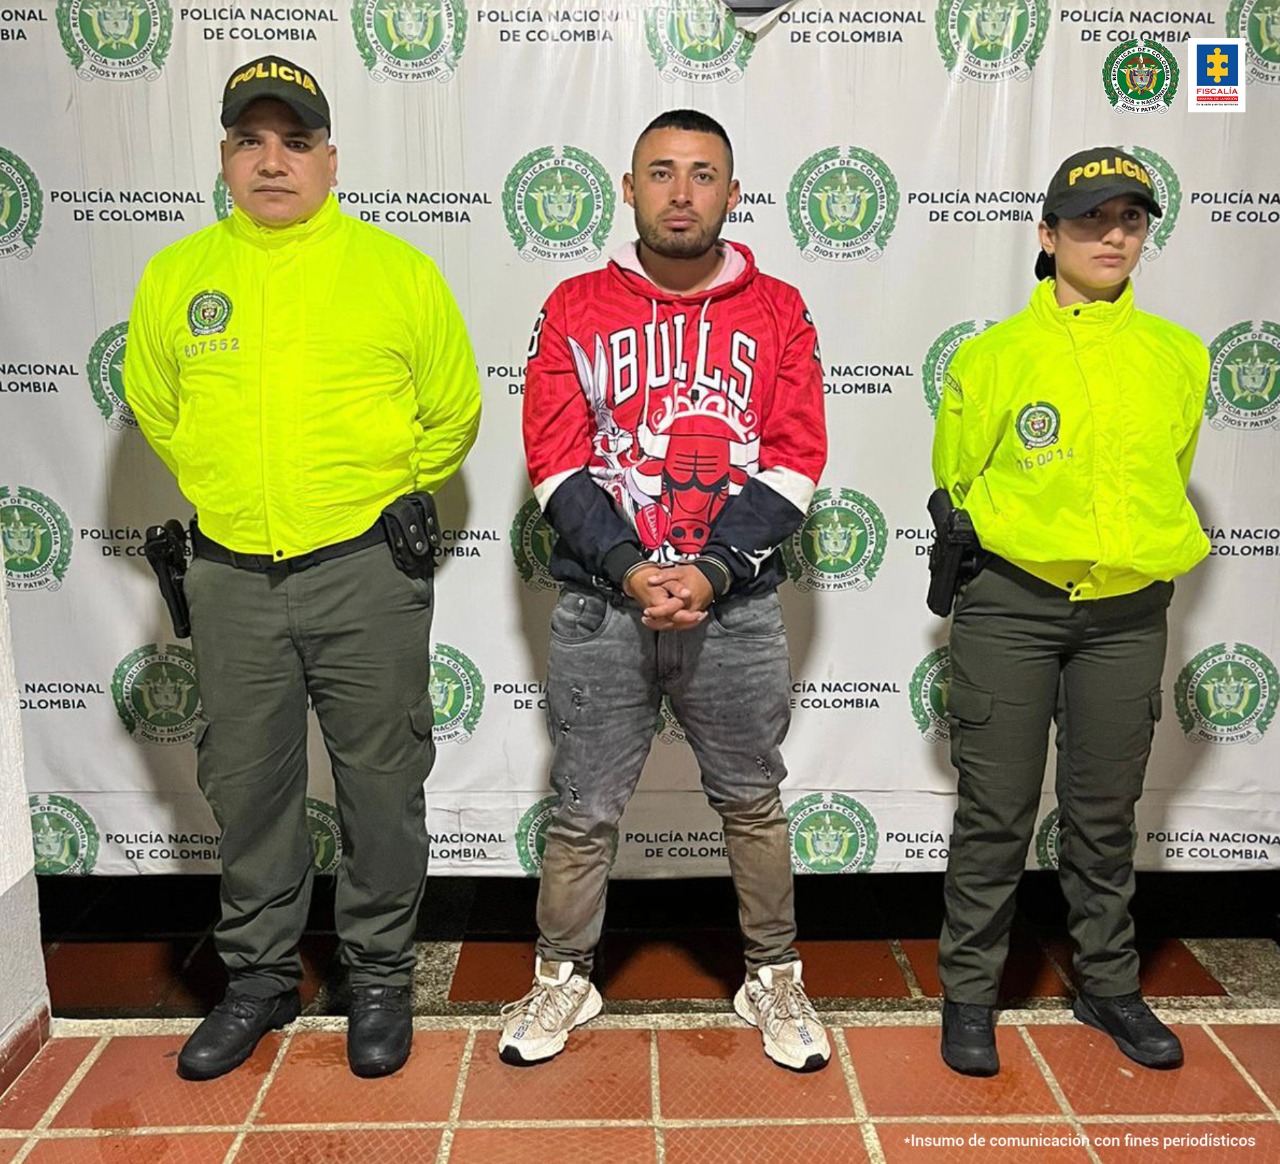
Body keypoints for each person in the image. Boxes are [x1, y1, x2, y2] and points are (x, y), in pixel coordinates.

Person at [125, 54, 481, 1081]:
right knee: (248, 787)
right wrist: (224, 486)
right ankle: (258, 979)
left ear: (330, 158)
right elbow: (156, 406)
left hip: (363, 572)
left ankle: (376, 976)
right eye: (249, 140)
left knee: (380, 785)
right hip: (229, 578)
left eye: (294, 141)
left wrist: (377, 496)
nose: (271, 161)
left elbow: (452, 408)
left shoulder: (395, 271)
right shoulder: (177, 278)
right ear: (225, 157)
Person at [500, 110, 830, 1072]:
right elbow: (555, 458)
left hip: (734, 609)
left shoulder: (778, 310)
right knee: (583, 807)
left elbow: (797, 458)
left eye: (702, 174)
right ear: (630, 187)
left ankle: (772, 974)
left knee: (752, 802)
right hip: (604, 606)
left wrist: (715, 568)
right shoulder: (575, 306)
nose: (681, 191)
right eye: (661, 172)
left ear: (732, 193)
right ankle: (563, 976)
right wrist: (630, 567)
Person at [932, 146, 1209, 1077]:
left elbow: (1168, 478)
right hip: (1011, 608)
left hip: (1127, 614)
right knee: (997, 812)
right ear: (1047, 237)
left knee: (1104, 814)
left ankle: (1108, 985)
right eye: (1090, 220)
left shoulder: (1180, 355)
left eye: (1129, 219)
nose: (1113, 235)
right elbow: (956, 480)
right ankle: (970, 994)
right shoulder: (993, 355)